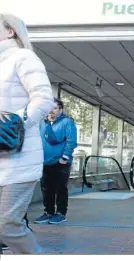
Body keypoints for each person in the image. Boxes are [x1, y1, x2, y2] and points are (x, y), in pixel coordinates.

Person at [0, 13, 54, 254]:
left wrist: (14, 123)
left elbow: (43, 99)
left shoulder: (23, 57)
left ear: (10, 31)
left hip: (18, 160)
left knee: (7, 226)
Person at [35, 98, 77, 225]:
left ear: (60, 110)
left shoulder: (67, 122)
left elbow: (71, 141)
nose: (51, 111)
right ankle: (48, 212)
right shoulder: (43, 123)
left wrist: (64, 157)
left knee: (60, 188)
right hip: (45, 162)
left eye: (54, 108)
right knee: (46, 188)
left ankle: (61, 213)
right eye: (49, 108)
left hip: (61, 162)